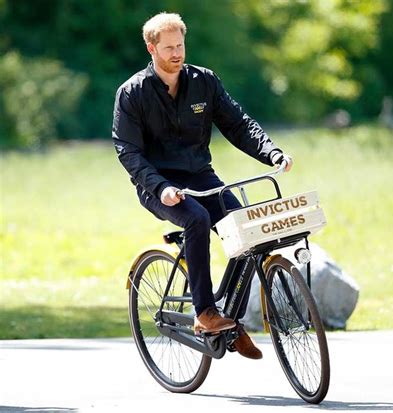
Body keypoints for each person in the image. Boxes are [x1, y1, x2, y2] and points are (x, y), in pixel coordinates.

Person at [112, 12, 292, 360]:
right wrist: (160, 186)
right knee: (195, 218)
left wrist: (271, 152)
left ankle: (231, 321)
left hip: (200, 176)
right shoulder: (132, 93)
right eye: (168, 48)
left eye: (180, 45)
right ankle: (205, 313)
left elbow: (238, 124)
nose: (177, 53)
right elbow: (128, 151)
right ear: (151, 48)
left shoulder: (203, 81)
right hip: (157, 183)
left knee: (246, 228)